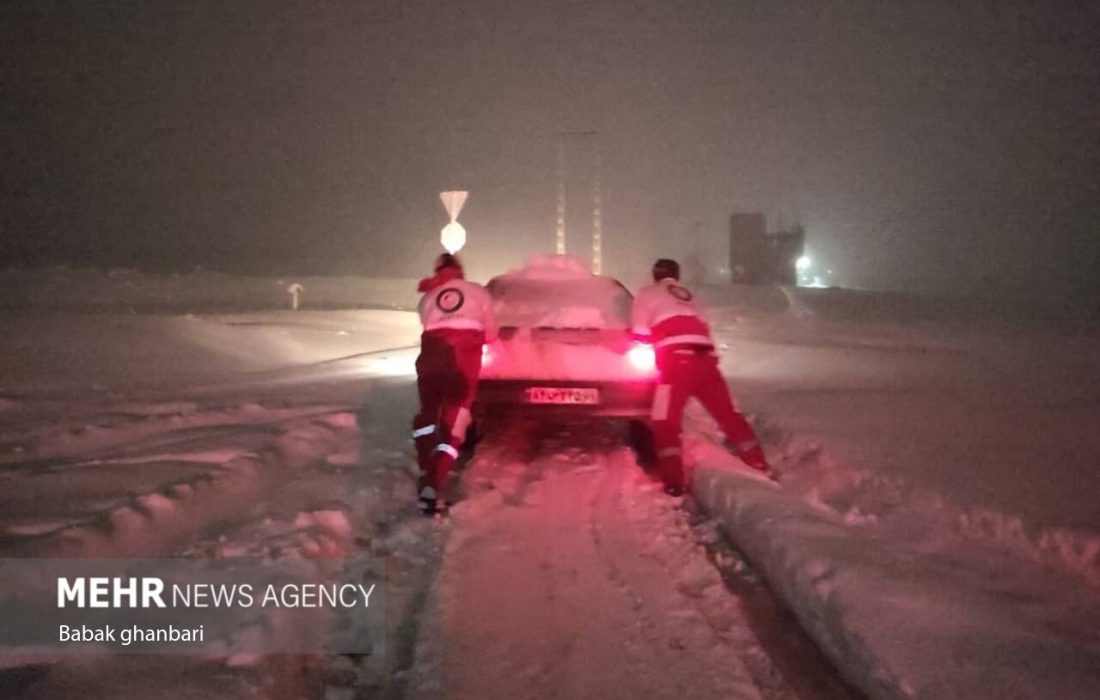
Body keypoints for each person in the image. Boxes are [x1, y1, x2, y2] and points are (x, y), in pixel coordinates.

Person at [631, 258, 771, 495]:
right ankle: (759, 464)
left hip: (676, 363)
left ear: (654, 275)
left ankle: (674, 482)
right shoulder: (689, 296)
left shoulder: (647, 294)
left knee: (664, 421)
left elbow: (640, 333)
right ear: (677, 275)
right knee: (728, 415)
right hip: (706, 361)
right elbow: (703, 325)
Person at [412, 253, 497, 515]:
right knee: (454, 422)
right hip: (461, 365)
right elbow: (492, 333)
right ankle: (433, 483)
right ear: (460, 270)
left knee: (427, 417)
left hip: (429, 361)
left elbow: (427, 327)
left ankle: (427, 466)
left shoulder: (427, 297)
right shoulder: (477, 293)